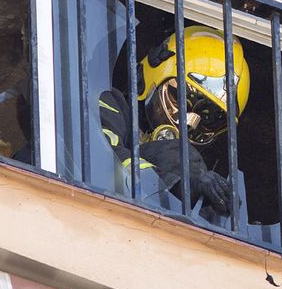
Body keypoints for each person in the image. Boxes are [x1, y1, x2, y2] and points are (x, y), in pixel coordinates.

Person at [99, 24, 249, 220]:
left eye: (208, 119)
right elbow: (104, 157)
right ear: (152, 74)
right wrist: (182, 184)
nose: (190, 123)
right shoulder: (111, 104)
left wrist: (219, 209)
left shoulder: (194, 169)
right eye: (183, 99)